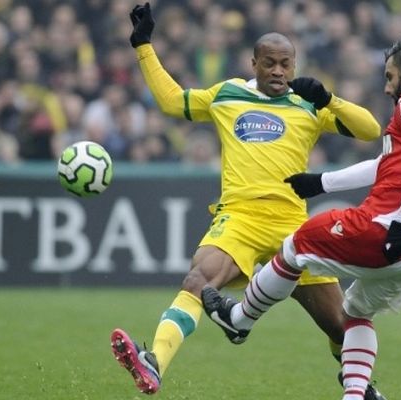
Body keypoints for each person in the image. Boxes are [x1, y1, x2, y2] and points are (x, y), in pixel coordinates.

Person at [110, 2, 382, 397]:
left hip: (294, 226)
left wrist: (328, 99)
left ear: (294, 64)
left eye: (285, 64)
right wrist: (143, 46)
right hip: (240, 218)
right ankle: (154, 363)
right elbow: (172, 102)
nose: (277, 71)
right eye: (269, 63)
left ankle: (361, 386)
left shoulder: (309, 103)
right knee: (198, 280)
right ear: (253, 62)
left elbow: (370, 129)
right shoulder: (227, 95)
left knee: (339, 325)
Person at [202, 34, 401, 400]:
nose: (388, 88)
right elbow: (386, 166)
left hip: (388, 228)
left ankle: (238, 320)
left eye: (390, 77)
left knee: (295, 244)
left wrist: (400, 223)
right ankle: (355, 395)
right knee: (355, 310)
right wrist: (321, 183)